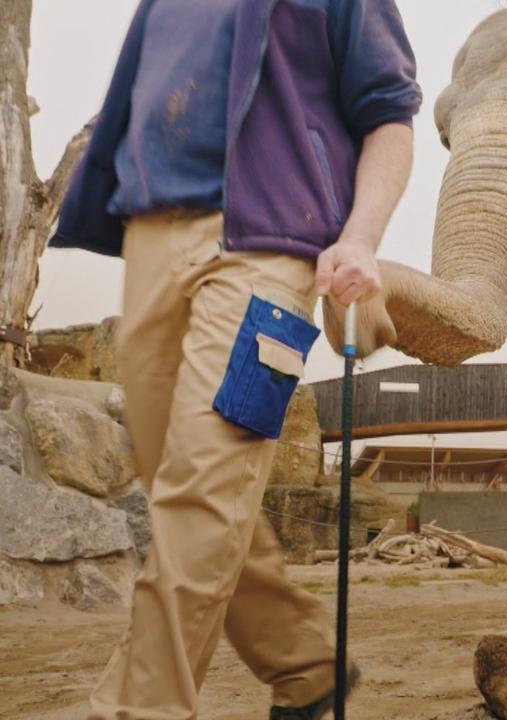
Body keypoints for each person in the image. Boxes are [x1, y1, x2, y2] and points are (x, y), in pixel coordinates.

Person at [49, 1, 421, 718]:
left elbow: (390, 114)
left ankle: (135, 707)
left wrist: (361, 236)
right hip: (149, 241)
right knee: (184, 493)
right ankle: (304, 660)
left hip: (269, 250)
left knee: (201, 495)